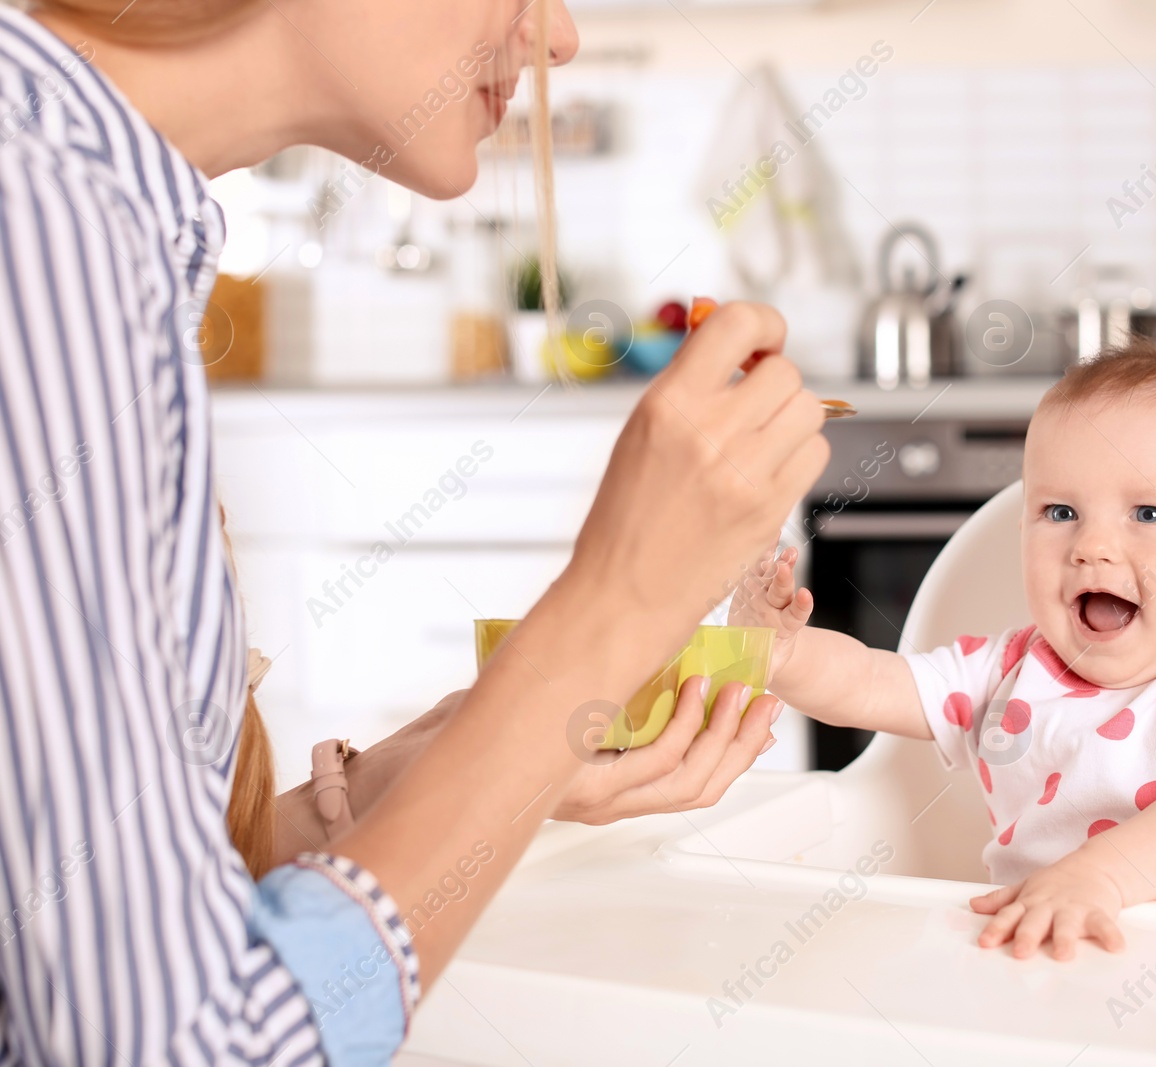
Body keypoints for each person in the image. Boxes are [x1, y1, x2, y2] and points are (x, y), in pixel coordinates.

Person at [0, 0, 828, 1062]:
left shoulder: (85, 205)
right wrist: (602, 620)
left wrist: (420, 785)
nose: (556, 36)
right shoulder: (46, 227)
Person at [733, 343, 1156, 961]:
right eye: (1060, 511)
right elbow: (873, 684)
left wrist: (1102, 877)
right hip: (1028, 957)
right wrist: (780, 655)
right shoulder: (1008, 672)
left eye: (1148, 513)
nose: (1091, 545)